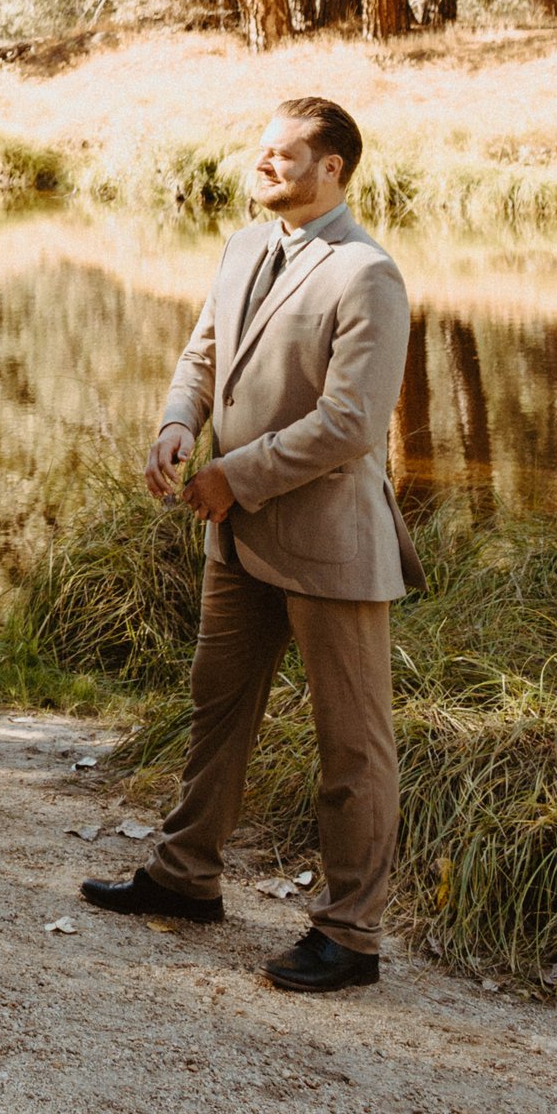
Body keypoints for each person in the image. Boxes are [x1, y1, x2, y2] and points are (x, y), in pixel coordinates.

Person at [82, 93, 421, 994]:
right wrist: (175, 425)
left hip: (328, 542)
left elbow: (351, 423)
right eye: (262, 150)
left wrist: (238, 475)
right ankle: (186, 878)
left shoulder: (366, 275)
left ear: (333, 169)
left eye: (283, 154)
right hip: (234, 534)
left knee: (352, 746)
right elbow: (203, 356)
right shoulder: (241, 249)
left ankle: (350, 935)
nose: (264, 163)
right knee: (216, 709)